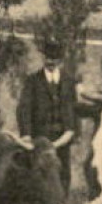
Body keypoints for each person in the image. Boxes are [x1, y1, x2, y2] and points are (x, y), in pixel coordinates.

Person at [16, 55, 81, 191]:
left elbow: (74, 107)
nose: (51, 61)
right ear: (43, 59)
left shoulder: (69, 81)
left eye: (54, 59)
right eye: (48, 58)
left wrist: (74, 131)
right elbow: (24, 108)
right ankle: (41, 197)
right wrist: (26, 133)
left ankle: (62, 198)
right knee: (42, 168)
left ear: (60, 61)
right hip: (41, 134)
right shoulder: (33, 80)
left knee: (63, 167)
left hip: (63, 134)